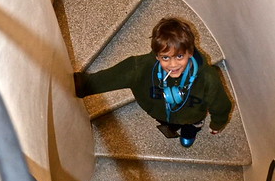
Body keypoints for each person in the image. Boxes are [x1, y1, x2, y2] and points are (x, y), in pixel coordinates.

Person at [74, 17, 232, 148]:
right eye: (165, 57)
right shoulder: (140, 68)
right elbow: (107, 78)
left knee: (191, 127)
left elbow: (221, 105)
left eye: (179, 56)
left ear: (190, 53)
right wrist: (79, 85)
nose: (173, 65)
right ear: (157, 56)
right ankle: (171, 125)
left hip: (192, 117)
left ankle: (190, 131)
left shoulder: (208, 78)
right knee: (166, 122)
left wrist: (217, 124)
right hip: (161, 113)